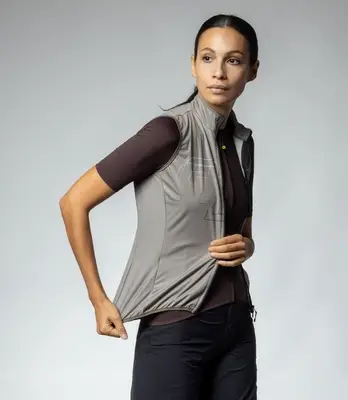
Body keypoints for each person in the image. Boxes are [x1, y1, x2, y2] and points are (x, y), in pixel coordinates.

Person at [59, 13, 260, 400]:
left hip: (236, 327)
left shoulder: (242, 142)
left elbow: (243, 229)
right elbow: (73, 203)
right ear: (193, 65)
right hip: (176, 330)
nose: (218, 72)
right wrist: (98, 299)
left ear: (252, 70)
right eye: (207, 58)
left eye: (233, 60)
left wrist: (247, 246)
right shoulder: (168, 132)